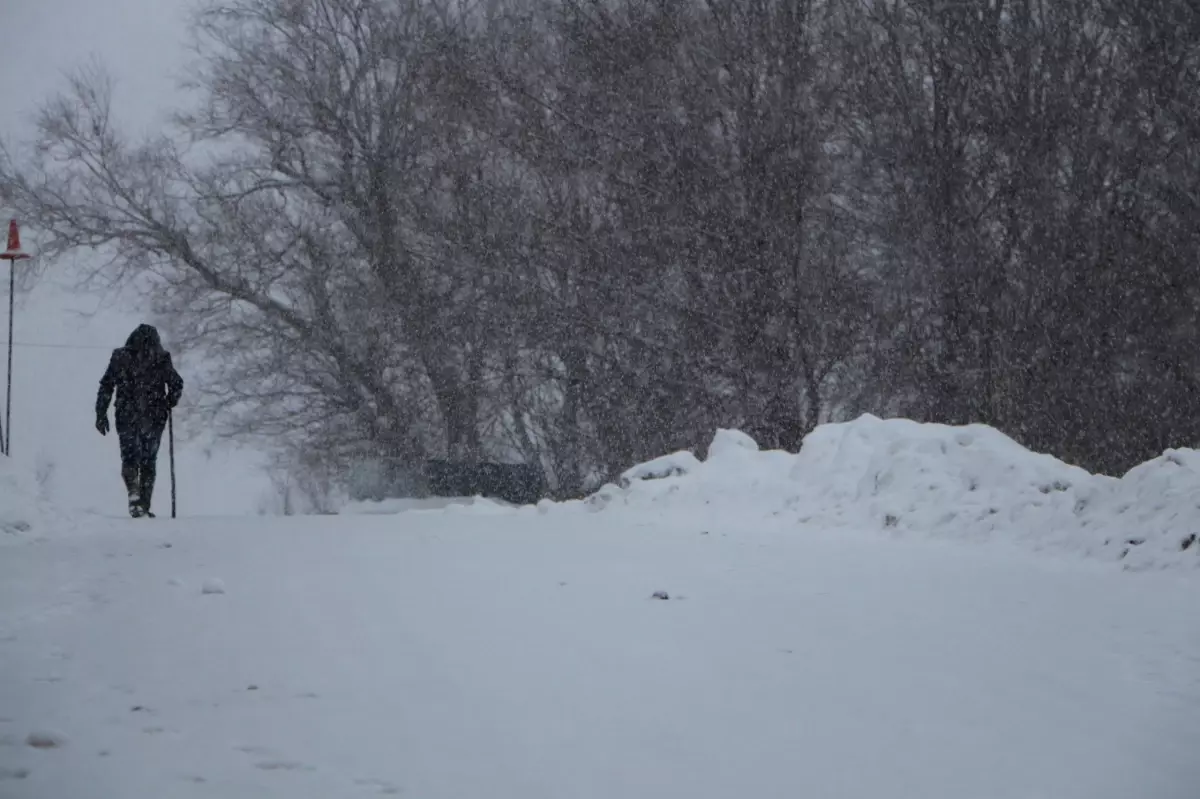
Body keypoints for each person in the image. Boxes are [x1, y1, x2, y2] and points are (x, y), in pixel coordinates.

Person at [95, 324, 184, 518]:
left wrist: (101, 413)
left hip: (127, 414)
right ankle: (143, 504)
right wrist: (170, 401)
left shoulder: (120, 357)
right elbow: (177, 383)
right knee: (148, 461)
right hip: (154, 415)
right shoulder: (161, 358)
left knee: (129, 457)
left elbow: (106, 385)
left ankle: (134, 494)